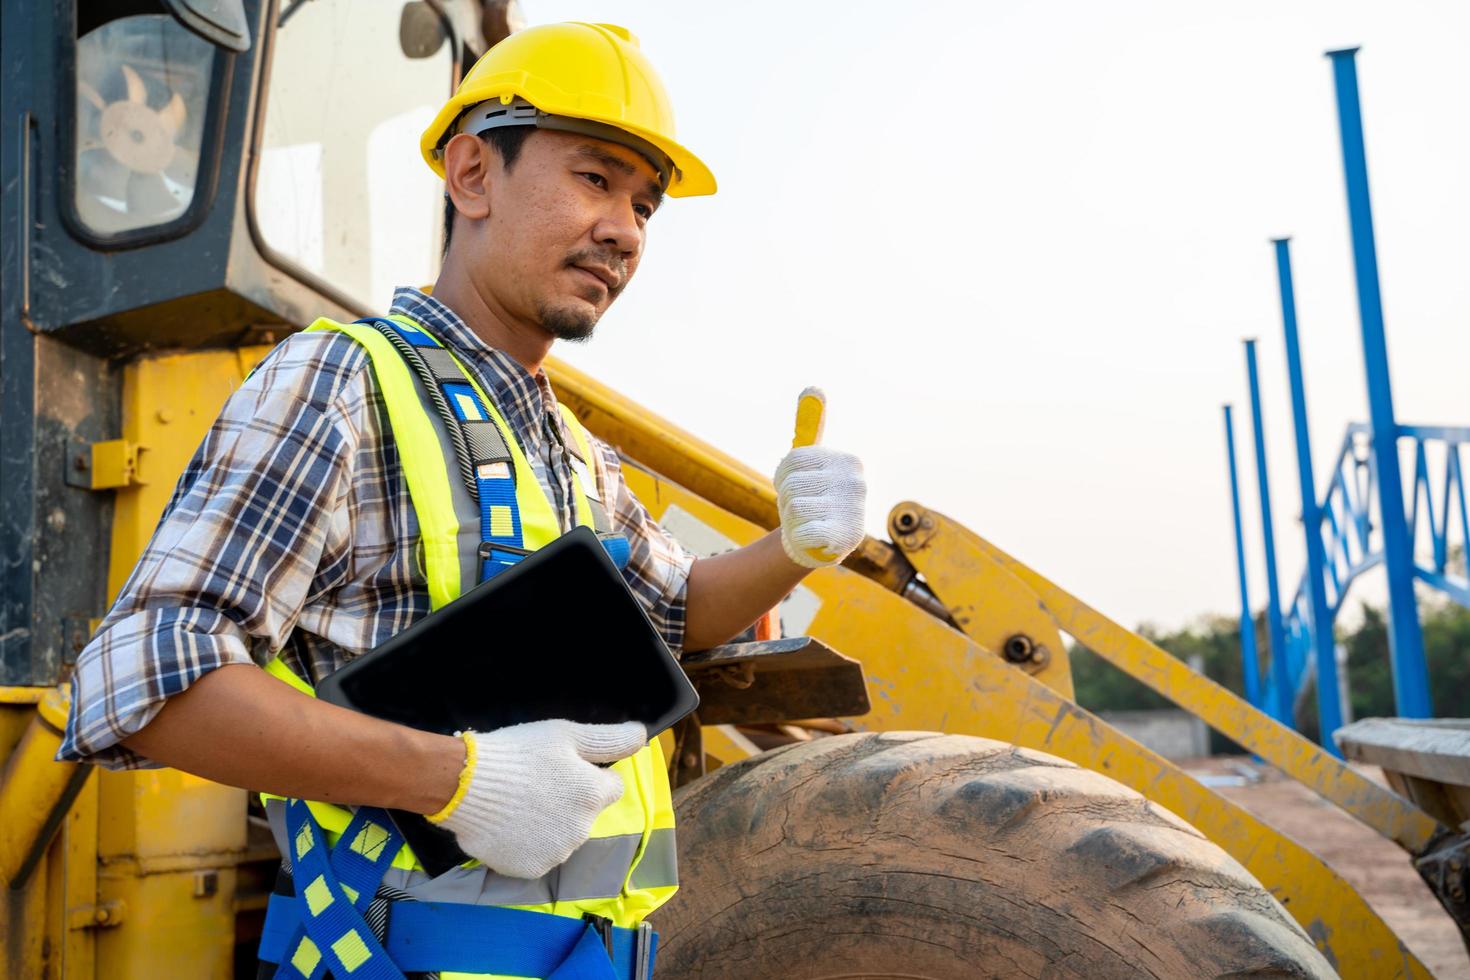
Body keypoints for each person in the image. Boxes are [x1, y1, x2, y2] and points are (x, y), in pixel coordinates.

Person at [59, 21, 866, 980]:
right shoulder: (338, 383)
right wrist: (458, 782)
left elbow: (675, 612)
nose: (626, 229)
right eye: (596, 179)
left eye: (646, 205)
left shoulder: (568, 446)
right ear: (473, 175)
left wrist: (796, 546)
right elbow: (140, 685)